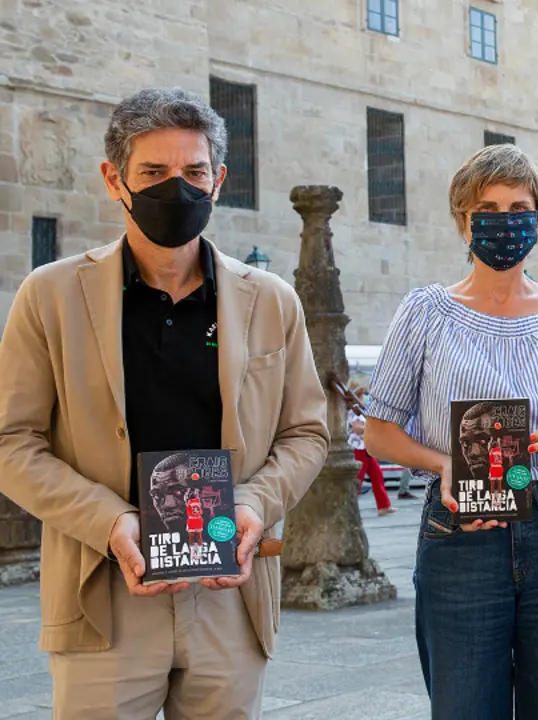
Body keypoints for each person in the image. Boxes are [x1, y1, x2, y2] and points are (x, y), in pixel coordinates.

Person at [0, 87, 329, 718]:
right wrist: (109, 521)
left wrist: (254, 504)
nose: (176, 187)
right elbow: (12, 441)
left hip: (229, 592)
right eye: (153, 172)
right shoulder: (50, 296)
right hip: (104, 590)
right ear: (113, 179)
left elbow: (306, 432)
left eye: (194, 172)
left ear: (218, 181)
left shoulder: (272, 300)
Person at [363, 144, 538, 720]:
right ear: (464, 221)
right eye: (488, 209)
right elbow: (379, 432)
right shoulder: (424, 313)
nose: (505, 221)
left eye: (519, 208)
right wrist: (444, 464)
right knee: (465, 706)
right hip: (460, 529)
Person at [349, 398, 395, 515]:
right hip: (359, 448)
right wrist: (371, 428)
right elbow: (356, 428)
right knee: (358, 479)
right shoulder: (354, 412)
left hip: (366, 448)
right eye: (362, 396)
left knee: (377, 476)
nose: (365, 398)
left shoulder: (363, 410)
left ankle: (384, 506)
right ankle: (350, 507)